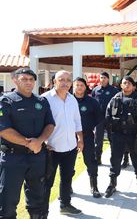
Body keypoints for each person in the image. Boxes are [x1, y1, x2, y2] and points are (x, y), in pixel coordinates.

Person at [0, 68, 55, 219]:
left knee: (38, 198)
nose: (29, 82)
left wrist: (39, 141)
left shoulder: (41, 101)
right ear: (15, 80)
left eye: (31, 80)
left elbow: (50, 124)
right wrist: (28, 143)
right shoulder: (6, 101)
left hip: (37, 157)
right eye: (24, 79)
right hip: (13, 159)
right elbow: (3, 130)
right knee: (7, 201)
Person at [42, 70, 84, 215]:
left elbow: (77, 121)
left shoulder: (72, 99)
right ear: (54, 81)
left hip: (70, 147)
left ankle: (65, 205)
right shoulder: (44, 99)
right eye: (61, 79)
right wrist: (43, 142)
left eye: (68, 80)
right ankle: (42, 211)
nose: (65, 83)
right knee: (47, 182)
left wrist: (80, 139)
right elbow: (37, 123)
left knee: (66, 178)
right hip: (51, 148)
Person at [104, 76, 137, 198]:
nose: (127, 85)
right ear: (121, 85)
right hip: (118, 135)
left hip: (134, 135)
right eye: (124, 83)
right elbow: (108, 115)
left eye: (130, 83)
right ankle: (112, 184)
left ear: (134, 86)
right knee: (115, 160)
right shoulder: (115, 98)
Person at [73, 77, 103, 198]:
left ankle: (94, 187)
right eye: (77, 85)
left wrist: (90, 126)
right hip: (70, 137)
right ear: (73, 86)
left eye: (81, 85)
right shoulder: (68, 100)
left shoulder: (92, 102)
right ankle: (66, 187)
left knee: (91, 161)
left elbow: (99, 117)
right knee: (68, 163)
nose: (79, 87)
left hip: (87, 135)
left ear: (85, 87)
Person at [91, 72, 118, 165]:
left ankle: (114, 158)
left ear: (108, 79)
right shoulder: (95, 90)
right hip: (98, 119)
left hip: (110, 119)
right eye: (101, 77)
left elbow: (117, 104)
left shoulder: (114, 90)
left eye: (104, 78)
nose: (102, 79)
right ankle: (98, 158)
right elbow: (93, 103)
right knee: (98, 140)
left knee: (112, 139)